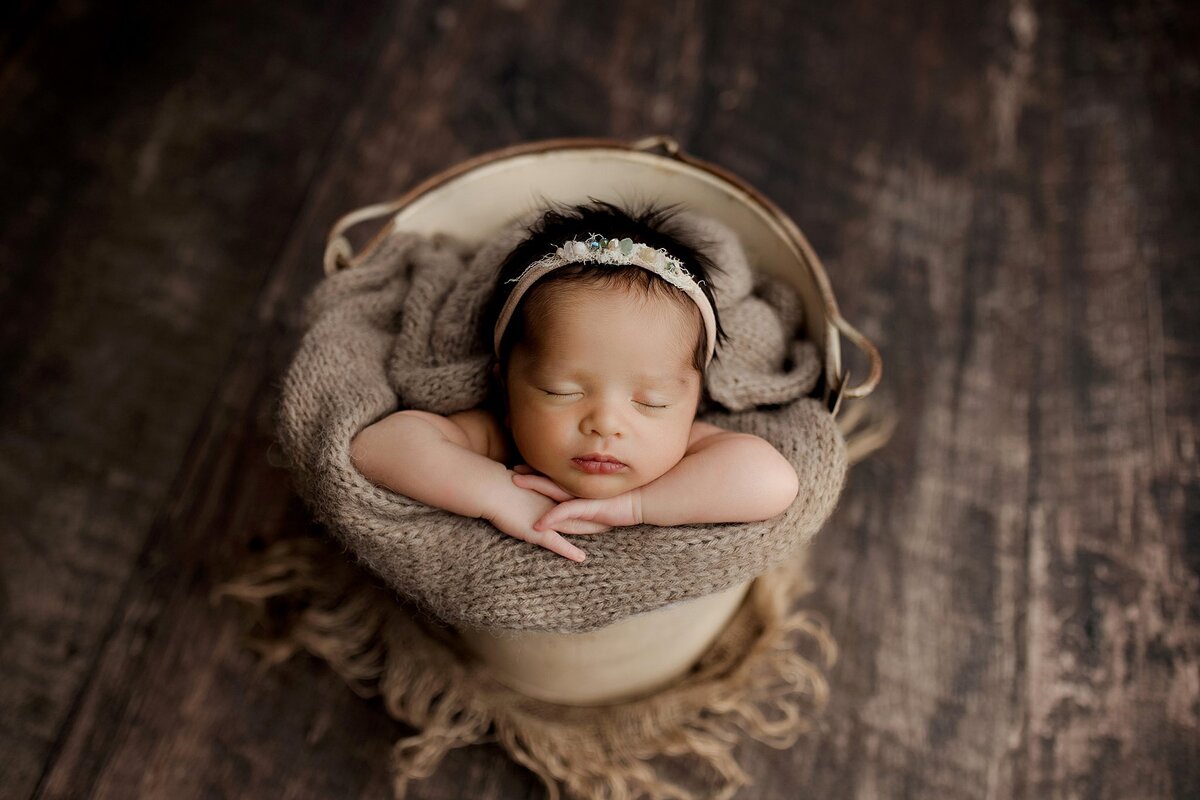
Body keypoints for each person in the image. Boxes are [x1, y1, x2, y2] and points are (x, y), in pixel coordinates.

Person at [350, 199, 800, 563]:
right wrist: (496, 494)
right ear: (505, 387)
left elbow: (773, 482)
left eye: (652, 401)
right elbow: (379, 446)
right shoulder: (498, 438)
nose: (605, 424)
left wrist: (633, 507)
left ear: (694, 404)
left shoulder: (685, 457)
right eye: (561, 391)